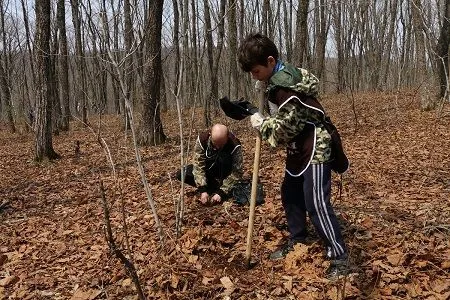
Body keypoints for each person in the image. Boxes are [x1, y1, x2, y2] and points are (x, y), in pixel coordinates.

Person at [238, 33, 349, 279]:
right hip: (299, 148)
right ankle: (298, 239)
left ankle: (340, 256)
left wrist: (261, 124)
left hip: (315, 146)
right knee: (291, 193)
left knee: (317, 203)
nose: (253, 76)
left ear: (270, 61)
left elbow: (285, 130)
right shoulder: (278, 80)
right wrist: (265, 90)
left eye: (256, 71)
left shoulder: (286, 89)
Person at [176, 124, 243, 204]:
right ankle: (211, 188)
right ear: (210, 134)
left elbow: (236, 173)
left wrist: (221, 192)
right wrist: (202, 189)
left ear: (227, 137)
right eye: (215, 144)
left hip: (224, 173)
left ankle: (220, 189)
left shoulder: (235, 145)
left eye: (221, 145)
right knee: (182, 173)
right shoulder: (202, 140)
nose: (218, 147)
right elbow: (198, 165)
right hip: (208, 170)